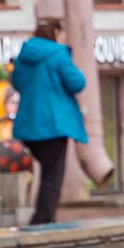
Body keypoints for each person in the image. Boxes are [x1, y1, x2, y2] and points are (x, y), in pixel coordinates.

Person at [11, 20, 90, 225]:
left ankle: (45, 217)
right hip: (54, 124)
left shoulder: (24, 55)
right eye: (61, 33)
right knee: (53, 174)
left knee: (48, 171)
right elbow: (77, 82)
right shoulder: (58, 54)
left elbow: (17, 83)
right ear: (55, 32)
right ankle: (42, 220)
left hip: (28, 124)